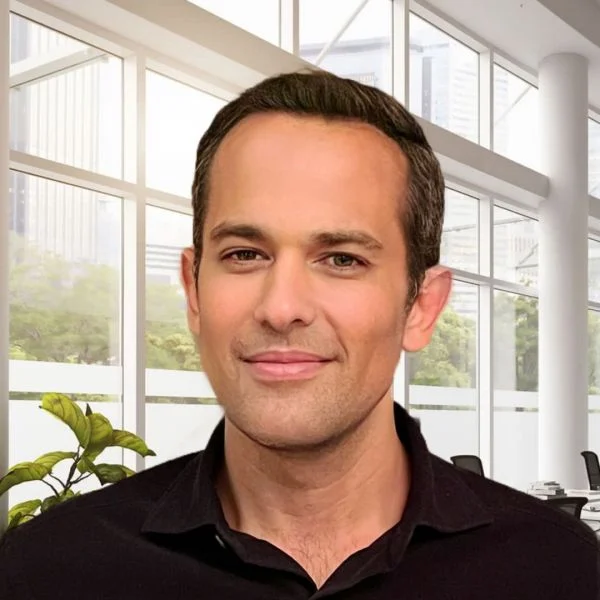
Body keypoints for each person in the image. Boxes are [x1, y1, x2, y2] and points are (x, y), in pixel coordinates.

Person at [0, 70, 598, 599]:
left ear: (421, 306)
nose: (281, 307)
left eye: (341, 259)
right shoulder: (47, 572)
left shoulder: (561, 572)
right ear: (194, 291)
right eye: (243, 253)